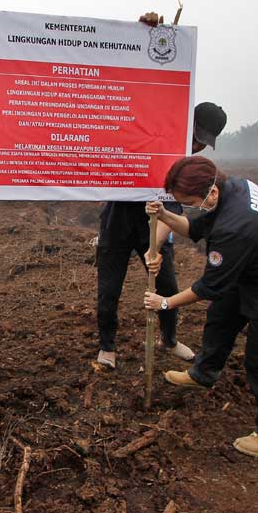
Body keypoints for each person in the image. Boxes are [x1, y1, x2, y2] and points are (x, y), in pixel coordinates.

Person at [143, 156, 258, 457]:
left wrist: (165, 303)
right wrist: (165, 214)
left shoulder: (235, 226)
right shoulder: (232, 188)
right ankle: (203, 373)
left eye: (191, 201)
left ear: (211, 193)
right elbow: (194, 227)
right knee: (222, 317)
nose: (191, 206)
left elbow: (210, 286)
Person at [96, 102, 227, 369]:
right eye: (195, 138)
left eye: (202, 143)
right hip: (117, 222)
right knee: (109, 290)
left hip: (156, 224)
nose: (197, 146)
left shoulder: (189, 166)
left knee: (167, 287)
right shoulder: (153, 138)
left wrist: (153, 248)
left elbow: (175, 208)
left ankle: (169, 340)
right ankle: (107, 346)